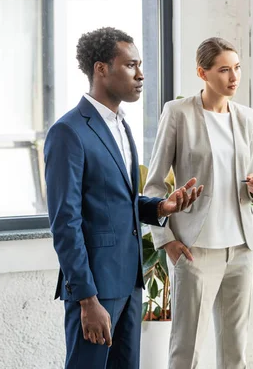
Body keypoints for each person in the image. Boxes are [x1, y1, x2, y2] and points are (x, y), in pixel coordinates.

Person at [44, 27, 202, 369]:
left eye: (140, 65)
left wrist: (161, 206)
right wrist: (87, 299)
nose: (141, 74)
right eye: (131, 65)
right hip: (95, 287)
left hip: (129, 281)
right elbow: (65, 222)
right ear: (101, 69)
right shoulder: (69, 131)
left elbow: (118, 200)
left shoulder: (121, 125)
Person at [144, 37, 253, 369]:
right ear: (203, 72)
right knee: (188, 349)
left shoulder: (248, 118)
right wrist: (165, 240)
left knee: (235, 351)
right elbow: (154, 183)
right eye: (224, 69)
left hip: (240, 247)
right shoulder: (178, 113)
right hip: (195, 249)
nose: (233, 77)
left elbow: (249, 183)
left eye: (237, 68)